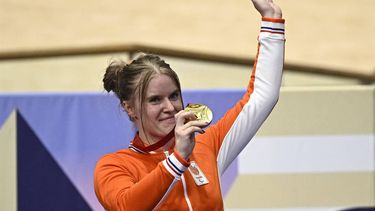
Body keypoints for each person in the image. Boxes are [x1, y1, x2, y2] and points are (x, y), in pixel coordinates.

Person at [94, 0, 285, 210]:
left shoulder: (206, 146)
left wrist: (272, 19)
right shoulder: (114, 166)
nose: (170, 106)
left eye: (174, 96)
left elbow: (262, 96)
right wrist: (178, 158)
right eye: (155, 100)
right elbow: (127, 206)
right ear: (129, 108)